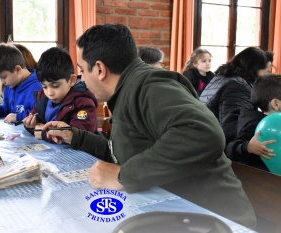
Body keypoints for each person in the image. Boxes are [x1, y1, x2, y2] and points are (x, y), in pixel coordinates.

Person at [42, 24, 256, 229]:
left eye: (82, 70)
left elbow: (204, 133)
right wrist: (76, 137)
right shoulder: (127, 90)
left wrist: (123, 176)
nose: (81, 78)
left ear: (99, 69)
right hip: (178, 214)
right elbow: (126, 153)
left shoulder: (150, 86)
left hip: (216, 221)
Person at [22, 47, 98, 142]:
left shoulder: (83, 102)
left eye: (55, 85)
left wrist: (44, 133)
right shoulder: (42, 96)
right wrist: (31, 125)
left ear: (71, 80)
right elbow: (35, 124)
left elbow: (79, 136)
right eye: (44, 86)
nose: (50, 93)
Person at [200, 47, 273, 145]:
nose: (266, 77)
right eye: (266, 72)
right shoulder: (237, 87)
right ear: (253, 69)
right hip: (214, 148)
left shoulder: (221, 78)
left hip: (204, 139)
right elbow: (233, 130)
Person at [225, 74, 281, 171]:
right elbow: (229, 149)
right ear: (275, 104)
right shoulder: (256, 125)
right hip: (257, 180)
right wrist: (248, 147)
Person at [0, 43, 41, 123]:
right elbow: (7, 107)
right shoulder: (10, 85)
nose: (2, 81)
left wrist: (18, 117)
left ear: (18, 70)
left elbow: (41, 114)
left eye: (4, 77)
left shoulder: (38, 87)